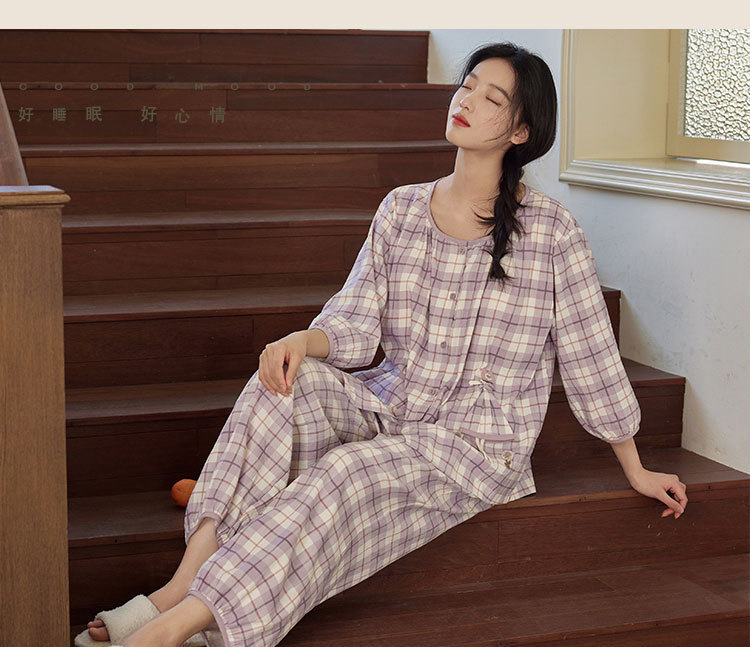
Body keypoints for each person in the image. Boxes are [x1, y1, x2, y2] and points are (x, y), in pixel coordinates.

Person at [86, 42, 688, 647]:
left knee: (345, 469)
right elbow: (356, 320)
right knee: (283, 383)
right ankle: (177, 589)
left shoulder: (553, 233)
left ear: (521, 131)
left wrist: (634, 466)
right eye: (467, 85)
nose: (466, 100)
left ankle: (176, 628)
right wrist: (302, 340)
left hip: (475, 443)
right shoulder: (401, 209)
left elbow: (590, 356)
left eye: (492, 97)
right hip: (392, 404)